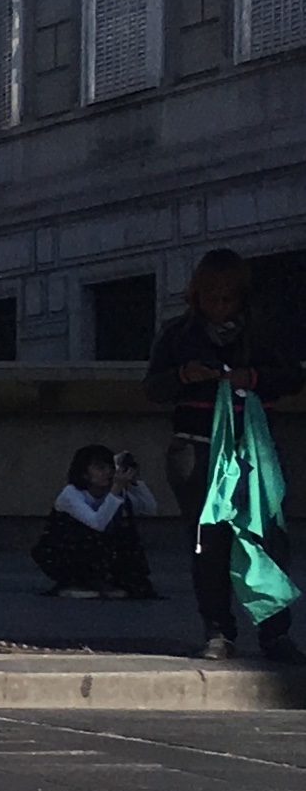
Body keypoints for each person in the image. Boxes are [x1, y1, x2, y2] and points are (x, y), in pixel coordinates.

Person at [147, 250, 300, 660]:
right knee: (207, 542)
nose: (219, 307)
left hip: (251, 448)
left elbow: (293, 376)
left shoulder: (262, 332)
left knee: (265, 537)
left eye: (227, 299)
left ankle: (275, 633)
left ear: (241, 298)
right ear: (197, 297)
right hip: (195, 446)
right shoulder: (179, 334)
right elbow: (153, 388)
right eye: (211, 298)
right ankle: (218, 631)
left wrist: (252, 378)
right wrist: (186, 375)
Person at [34, 443, 156, 601]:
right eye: (100, 468)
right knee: (86, 536)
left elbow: (148, 509)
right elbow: (97, 524)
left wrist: (134, 482)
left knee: (126, 534)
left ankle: (106, 581)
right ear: (84, 473)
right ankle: (73, 584)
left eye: (111, 467)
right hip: (63, 551)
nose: (108, 473)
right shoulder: (71, 494)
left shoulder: (113, 493)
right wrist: (116, 489)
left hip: (99, 550)